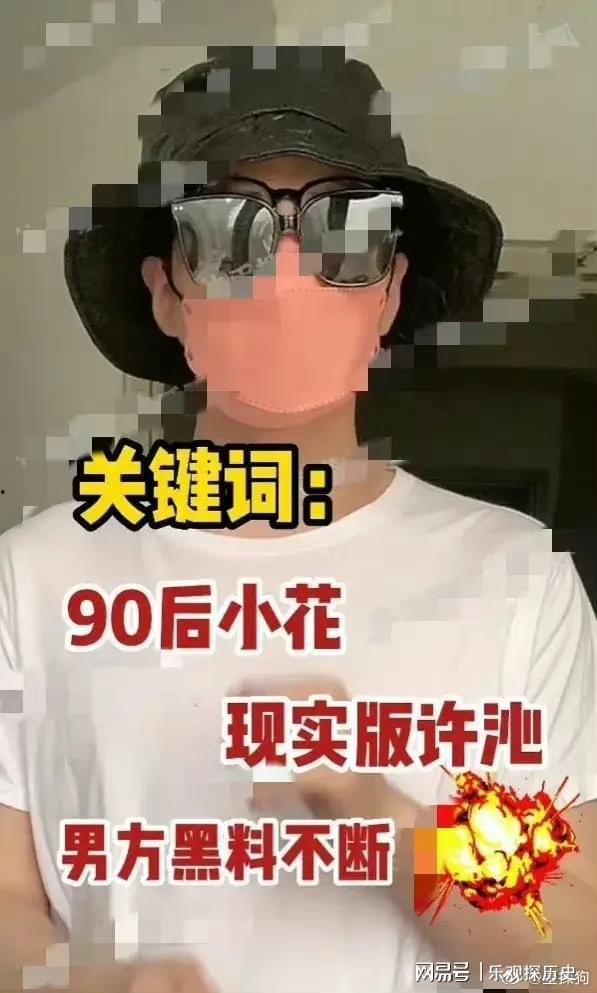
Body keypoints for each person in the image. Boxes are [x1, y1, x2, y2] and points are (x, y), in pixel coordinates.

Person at [1, 46, 596, 993]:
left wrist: (377, 812)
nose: (287, 274)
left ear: (390, 287)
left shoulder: (517, 578)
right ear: (166, 291)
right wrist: (78, 982)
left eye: (343, 229)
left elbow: (573, 953)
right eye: (226, 229)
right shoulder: (33, 576)